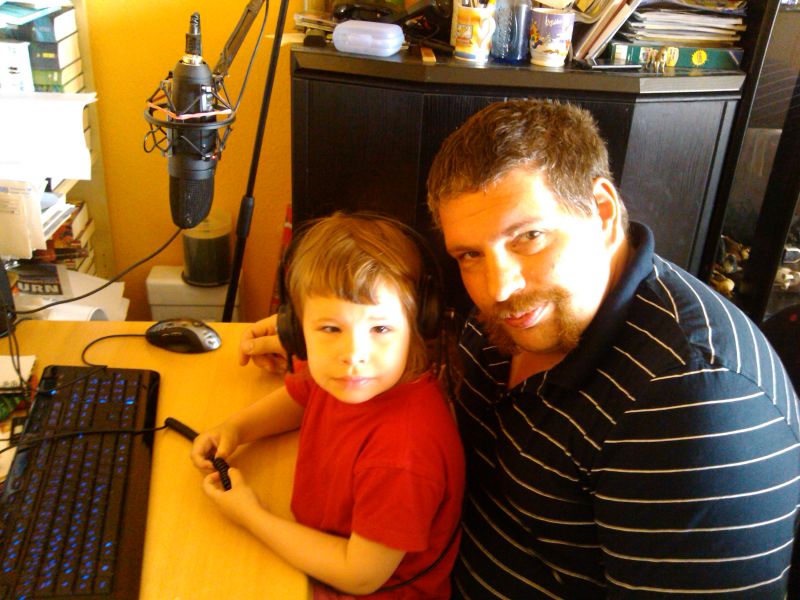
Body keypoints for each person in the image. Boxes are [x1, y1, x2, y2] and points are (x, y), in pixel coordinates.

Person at [240, 99, 800, 598]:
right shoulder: (527, 306)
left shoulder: (698, 408)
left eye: (529, 236)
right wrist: (317, 331)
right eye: (470, 255)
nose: (499, 287)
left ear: (603, 211)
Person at [193, 213, 465, 599]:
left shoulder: (403, 456)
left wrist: (250, 515)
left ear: (417, 326)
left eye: (380, 329)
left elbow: (360, 575)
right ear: (295, 330)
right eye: (330, 329)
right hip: (320, 552)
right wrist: (236, 429)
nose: (352, 354)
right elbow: (301, 397)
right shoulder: (347, 379)